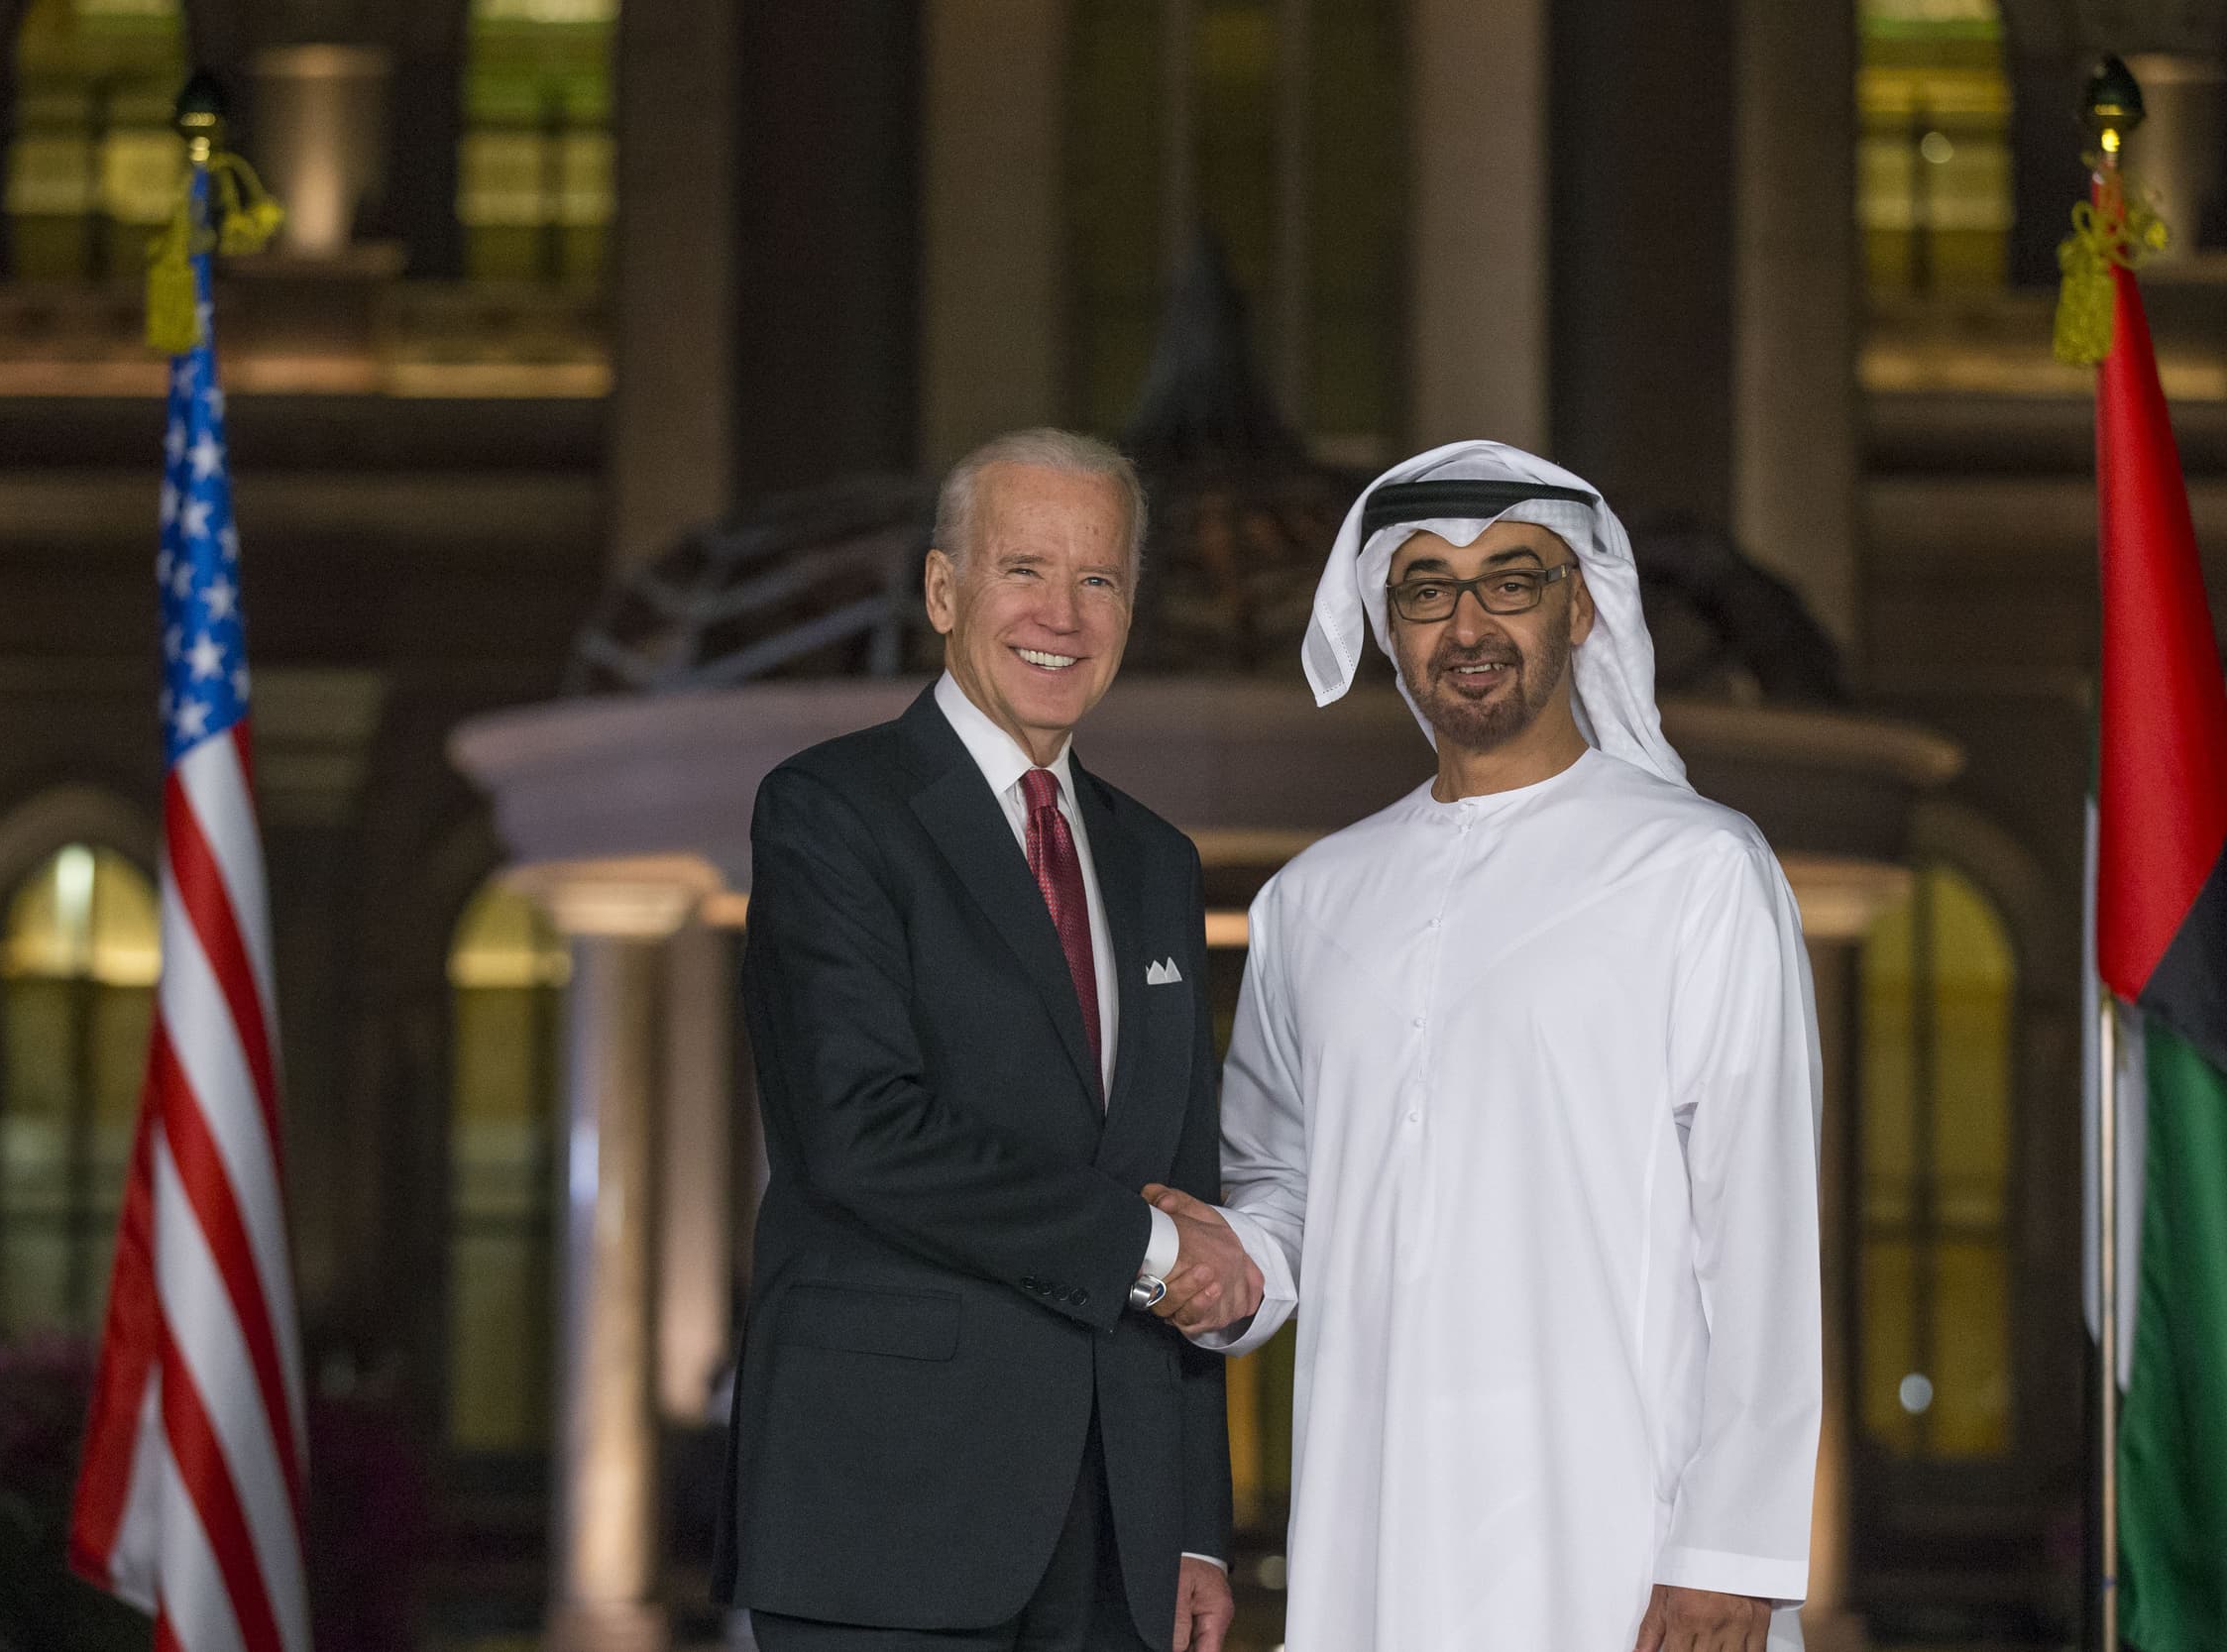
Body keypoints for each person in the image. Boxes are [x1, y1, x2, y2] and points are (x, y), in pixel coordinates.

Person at [1151, 440, 1823, 1652]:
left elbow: (1761, 1226)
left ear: (1580, 606)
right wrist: (1221, 1257)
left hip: (1620, 1538)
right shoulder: (1313, 899)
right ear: (1382, 619)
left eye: (1510, 579)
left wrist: (1729, 1549)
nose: (1467, 622)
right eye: (1425, 587)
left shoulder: (1697, 869)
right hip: (1375, 1532)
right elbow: (1285, 1190)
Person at [715, 428, 1261, 1652]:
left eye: (1100, 578)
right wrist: (1147, 1244)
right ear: (944, 591)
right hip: (887, 1508)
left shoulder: (1155, 860)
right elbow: (860, 1131)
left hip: (1121, 1532)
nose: (1061, 614)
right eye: (1024, 568)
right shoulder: (828, 811)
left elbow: (1183, 1174)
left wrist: (1192, 1524)